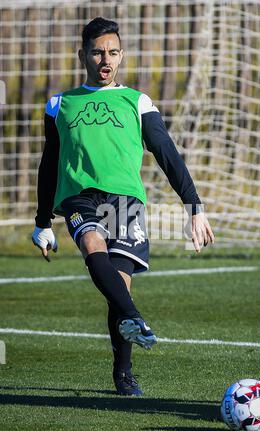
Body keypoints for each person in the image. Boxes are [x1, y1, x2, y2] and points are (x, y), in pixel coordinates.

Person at [32, 17, 214, 396]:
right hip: (80, 197)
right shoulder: (59, 104)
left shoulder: (137, 101)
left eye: (113, 52)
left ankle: (123, 372)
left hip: (126, 201)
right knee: (92, 248)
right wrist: (42, 220)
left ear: (122, 56)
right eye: (97, 52)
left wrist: (193, 204)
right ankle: (134, 318)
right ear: (82, 54)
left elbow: (166, 153)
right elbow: (50, 164)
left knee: (120, 286)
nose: (105, 59)